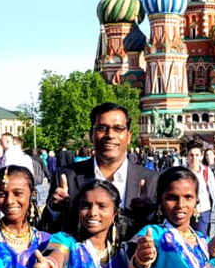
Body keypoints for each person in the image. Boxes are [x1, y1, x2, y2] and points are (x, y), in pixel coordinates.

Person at [41, 102, 158, 238]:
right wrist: (53, 210)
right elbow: (46, 231)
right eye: (102, 128)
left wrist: (149, 214)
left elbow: (163, 233)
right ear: (91, 134)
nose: (110, 135)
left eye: (118, 129)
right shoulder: (67, 177)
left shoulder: (152, 179)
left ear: (129, 136)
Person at [185, 142, 215, 236]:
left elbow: (214, 191)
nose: (194, 158)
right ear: (187, 156)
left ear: (201, 156)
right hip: (186, 210)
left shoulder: (206, 171)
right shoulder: (183, 171)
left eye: (197, 155)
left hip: (203, 210)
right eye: (191, 155)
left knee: (202, 237)